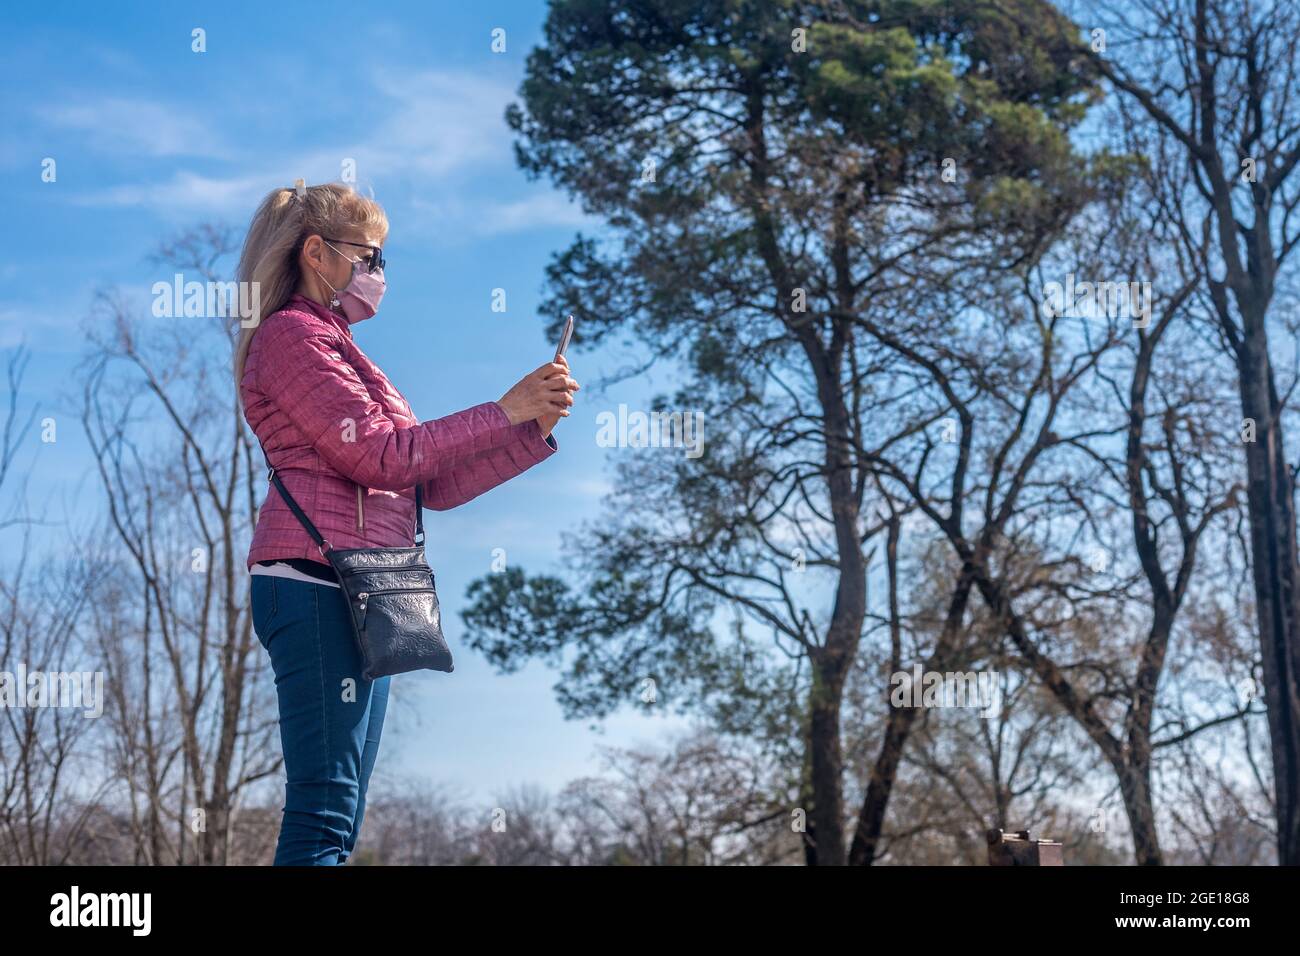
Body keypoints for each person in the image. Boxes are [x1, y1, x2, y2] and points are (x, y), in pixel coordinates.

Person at [235, 182, 577, 865]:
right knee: (323, 815)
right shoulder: (291, 338)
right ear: (317, 253)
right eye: (370, 256)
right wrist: (503, 410)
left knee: (342, 818)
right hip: (314, 583)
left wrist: (529, 429)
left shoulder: (345, 350)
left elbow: (431, 483)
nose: (380, 273)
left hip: (365, 590)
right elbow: (380, 455)